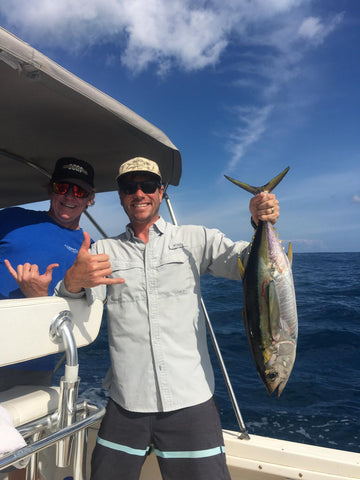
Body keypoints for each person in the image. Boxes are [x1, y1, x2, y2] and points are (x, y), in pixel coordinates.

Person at [55, 156, 280, 480]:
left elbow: (243, 263)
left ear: (161, 191)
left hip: (191, 400)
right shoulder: (103, 250)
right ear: (120, 196)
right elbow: (74, 316)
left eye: (147, 185)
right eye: (129, 187)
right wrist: (73, 283)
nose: (139, 193)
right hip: (126, 401)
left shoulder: (195, 239)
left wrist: (262, 222)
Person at [0, 157, 95, 391]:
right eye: (62, 187)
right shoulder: (11, 219)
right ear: (51, 191)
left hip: (31, 361)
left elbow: (81, 313)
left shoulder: (90, 250)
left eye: (79, 191)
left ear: (90, 199)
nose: (69, 196)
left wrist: (40, 299)